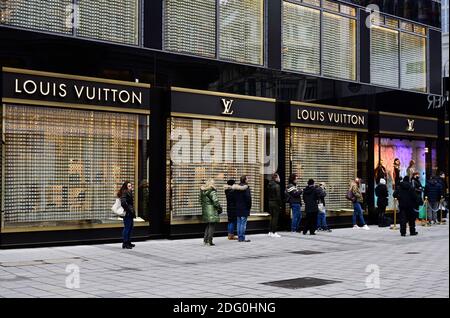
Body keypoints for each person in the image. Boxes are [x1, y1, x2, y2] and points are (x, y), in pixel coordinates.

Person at [200, 179, 222, 246]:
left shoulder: (202, 191)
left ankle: (205, 241)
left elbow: (200, 201)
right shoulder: (212, 191)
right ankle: (210, 241)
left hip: (206, 210)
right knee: (212, 226)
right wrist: (219, 208)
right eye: (214, 183)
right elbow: (216, 201)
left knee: (208, 225)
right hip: (212, 210)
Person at [118, 181, 135, 249]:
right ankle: (125, 243)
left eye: (131, 186)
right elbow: (123, 203)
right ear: (126, 187)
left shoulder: (129, 192)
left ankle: (128, 242)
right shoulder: (125, 192)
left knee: (130, 227)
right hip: (127, 213)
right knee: (127, 228)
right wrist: (128, 209)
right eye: (129, 186)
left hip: (130, 213)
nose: (131, 187)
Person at [235, 176, 252, 243]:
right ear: (245, 180)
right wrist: (249, 206)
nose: (248, 179)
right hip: (244, 207)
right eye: (247, 178)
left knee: (239, 222)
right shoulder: (246, 188)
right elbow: (248, 198)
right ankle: (242, 238)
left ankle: (239, 237)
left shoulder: (236, 188)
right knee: (243, 223)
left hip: (238, 207)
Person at [267, 173, 282, 238]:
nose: (279, 178)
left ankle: (270, 232)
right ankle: (274, 232)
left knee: (272, 217)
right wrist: (280, 204)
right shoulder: (277, 186)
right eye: (278, 177)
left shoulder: (269, 185)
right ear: (275, 178)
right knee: (275, 218)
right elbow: (278, 197)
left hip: (270, 202)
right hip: (275, 203)